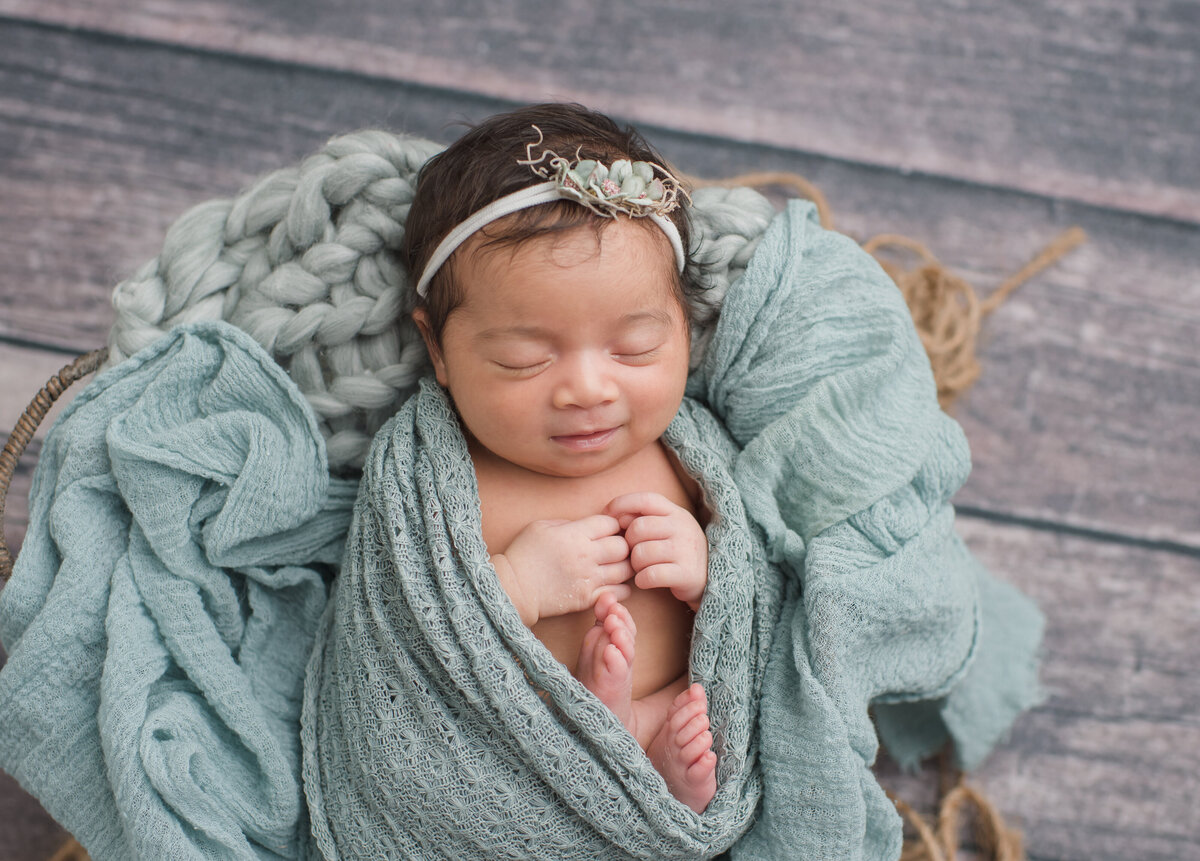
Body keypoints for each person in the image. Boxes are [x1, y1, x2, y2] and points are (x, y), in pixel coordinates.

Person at [401, 102, 718, 813]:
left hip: (669, 712)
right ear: (437, 348)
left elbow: (763, 597)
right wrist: (515, 582)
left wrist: (710, 571)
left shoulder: (687, 460)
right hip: (505, 765)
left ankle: (644, 762)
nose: (585, 389)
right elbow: (407, 627)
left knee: (697, 723)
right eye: (522, 358)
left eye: (635, 347)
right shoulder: (441, 477)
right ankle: (603, 749)